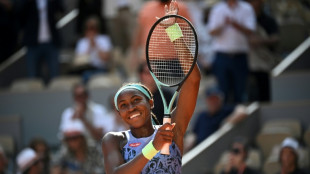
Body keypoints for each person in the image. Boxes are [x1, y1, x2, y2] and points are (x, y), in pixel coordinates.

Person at [101, 1, 201, 173]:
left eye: (136, 100)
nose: (131, 107)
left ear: (151, 102)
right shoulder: (114, 140)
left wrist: (173, 31)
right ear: (119, 114)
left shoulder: (172, 131)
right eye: (123, 105)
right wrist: (153, 147)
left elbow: (193, 80)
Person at [208, 0, 256, 103]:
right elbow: (211, 31)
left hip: (240, 56)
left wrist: (236, 25)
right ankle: (225, 118)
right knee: (222, 92)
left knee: (240, 92)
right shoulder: (217, 9)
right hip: (222, 57)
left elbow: (251, 30)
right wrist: (224, 24)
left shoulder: (247, 8)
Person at [128, 0, 191, 76]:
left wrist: (186, 58)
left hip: (175, 62)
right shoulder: (146, 8)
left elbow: (188, 33)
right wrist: (134, 54)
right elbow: (139, 32)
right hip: (149, 61)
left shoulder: (180, 7)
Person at [19, 0, 64, 84]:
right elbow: (20, 15)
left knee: (55, 74)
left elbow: (61, 10)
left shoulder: (51, 2)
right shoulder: (28, 3)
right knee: (33, 76)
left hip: (51, 42)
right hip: (33, 43)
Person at [246, 0, 280, 102]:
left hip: (265, 62)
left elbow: (276, 38)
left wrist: (260, 41)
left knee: (265, 93)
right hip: (248, 63)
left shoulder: (268, 20)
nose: (252, 3)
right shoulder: (244, 21)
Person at [59, 83, 110, 147]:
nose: (80, 99)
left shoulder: (99, 110)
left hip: (94, 146)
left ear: (87, 96)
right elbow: (64, 135)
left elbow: (99, 136)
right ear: (74, 98)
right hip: (73, 147)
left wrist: (82, 118)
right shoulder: (67, 113)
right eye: (78, 96)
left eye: (82, 95)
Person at [73, 16, 113, 83]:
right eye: (88, 28)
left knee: (87, 75)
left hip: (100, 68)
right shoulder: (81, 42)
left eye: (93, 28)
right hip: (85, 69)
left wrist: (96, 46)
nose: (91, 31)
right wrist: (89, 46)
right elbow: (80, 61)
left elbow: (106, 58)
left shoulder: (104, 39)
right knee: (85, 75)